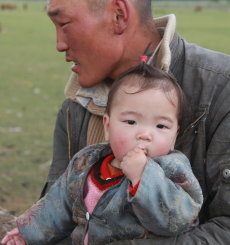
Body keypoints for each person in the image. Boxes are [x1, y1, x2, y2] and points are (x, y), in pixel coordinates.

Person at [5, 0, 230, 244]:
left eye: (64, 24)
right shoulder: (74, 108)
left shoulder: (220, 88)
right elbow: (57, 213)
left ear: (119, 15)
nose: (59, 44)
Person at [1, 64, 203, 245]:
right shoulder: (87, 162)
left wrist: (144, 178)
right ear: (107, 126)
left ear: (175, 136)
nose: (145, 134)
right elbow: (58, 204)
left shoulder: (173, 170)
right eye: (131, 122)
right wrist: (26, 234)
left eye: (161, 126)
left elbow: (178, 219)